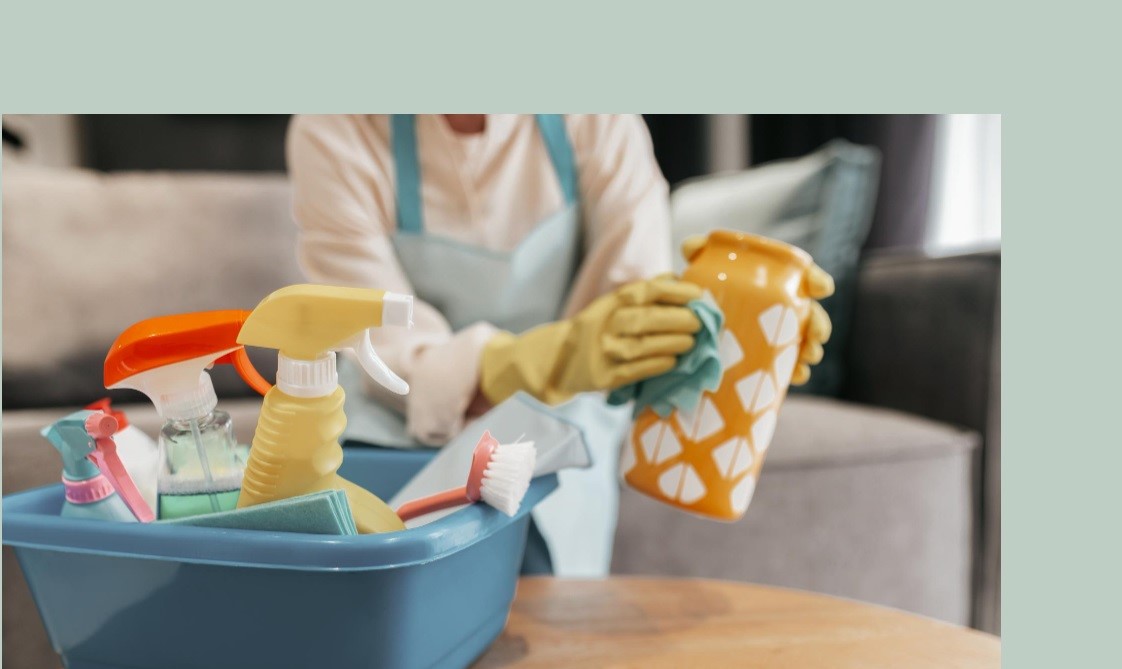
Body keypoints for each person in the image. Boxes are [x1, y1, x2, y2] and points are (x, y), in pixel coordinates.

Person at [286, 114, 831, 576]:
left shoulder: (596, 117)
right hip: (391, 424)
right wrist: (532, 361)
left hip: (556, 421)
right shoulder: (336, 127)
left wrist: (742, 337)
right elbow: (376, 340)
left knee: (525, 576)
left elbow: (638, 299)